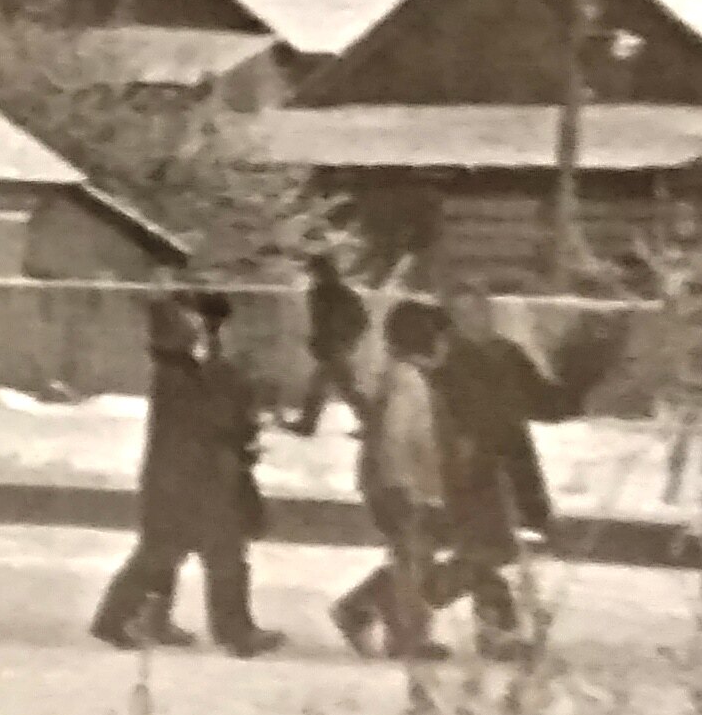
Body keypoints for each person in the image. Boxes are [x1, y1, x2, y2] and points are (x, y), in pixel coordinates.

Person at [89, 289, 282, 655]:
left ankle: (119, 618)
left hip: (183, 479)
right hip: (196, 480)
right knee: (218, 553)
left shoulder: (181, 372)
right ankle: (234, 632)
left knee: (164, 553)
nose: (196, 333)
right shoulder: (181, 377)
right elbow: (213, 420)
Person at [429, 291, 570, 658]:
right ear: (453, 320)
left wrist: (574, 374)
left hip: (507, 462)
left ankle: (494, 630)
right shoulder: (445, 362)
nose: (481, 318)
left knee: (489, 549)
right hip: (466, 466)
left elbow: (545, 403)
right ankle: (390, 596)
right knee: (487, 548)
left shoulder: (507, 355)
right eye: (470, 312)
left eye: (484, 310)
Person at [334, 296, 455, 662]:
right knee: (413, 562)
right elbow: (397, 437)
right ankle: (402, 635)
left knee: (414, 559)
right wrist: (403, 485)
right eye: (442, 338)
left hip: (399, 483)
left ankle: (365, 612)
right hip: (399, 485)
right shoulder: (409, 383)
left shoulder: (401, 377)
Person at [292, 251, 371, 435]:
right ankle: (307, 424)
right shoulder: (323, 294)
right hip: (332, 347)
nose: (313, 276)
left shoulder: (340, 295)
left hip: (336, 348)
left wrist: (345, 340)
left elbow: (361, 322)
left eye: (315, 272)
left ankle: (307, 425)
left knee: (341, 387)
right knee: (339, 387)